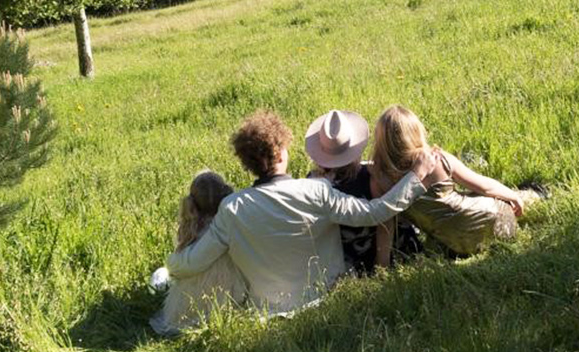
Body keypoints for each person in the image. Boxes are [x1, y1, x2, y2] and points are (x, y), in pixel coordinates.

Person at [165, 110, 438, 315]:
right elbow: (374, 212)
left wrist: (170, 266)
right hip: (326, 294)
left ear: (247, 164)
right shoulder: (316, 190)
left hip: (268, 309)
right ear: (283, 153)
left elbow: (192, 262)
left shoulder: (232, 208)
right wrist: (416, 177)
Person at [369, 105, 544, 258]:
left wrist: (382, 263)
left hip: (451, 243)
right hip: (494, 221)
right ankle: (534, 194)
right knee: (504, 199)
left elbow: (386, 225)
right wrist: (512, 196)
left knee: (443, 224)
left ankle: (525, 194)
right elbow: (484, 186)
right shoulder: (437, 160)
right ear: (416, 133)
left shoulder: (379, 179)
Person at [304, 110, 423, 275]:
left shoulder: (312, 183)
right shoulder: (371, 176)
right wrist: (382, 265)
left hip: (344, 255)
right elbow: (385, 220)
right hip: (374, 249)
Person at [149, 170, 247, 335]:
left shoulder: (193, 232)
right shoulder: (235, 226)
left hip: (183, 313)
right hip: (228, 306)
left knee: (162, 273)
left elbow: (177, 266)